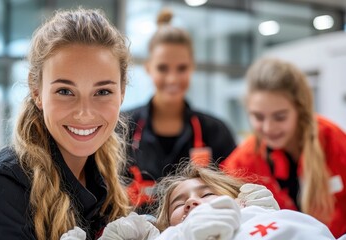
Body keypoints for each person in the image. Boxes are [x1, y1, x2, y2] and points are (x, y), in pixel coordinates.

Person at [0, 8, 131, 240]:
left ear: (122, 92)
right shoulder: (5, 183)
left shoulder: (104, 181)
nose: (84, 112)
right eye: (64, 91)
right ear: (36, 90)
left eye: (102, 91)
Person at [123, 8, 236, 213]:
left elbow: (232, 193)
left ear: (192, 67)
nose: (173, 78)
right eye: (163, 68)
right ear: (148, 68)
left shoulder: (216, 132)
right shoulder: (122, 127)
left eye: (181, 68)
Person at [221, 57, 346, 238]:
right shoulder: (242, 162)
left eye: (280, 117)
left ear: (300, 110)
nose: (268, 128)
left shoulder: (333, 140)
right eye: (258, 117)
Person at [154, 163, 344, 240]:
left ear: (240, 200)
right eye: (178, 205)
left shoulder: (262, 214)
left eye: (206, 195)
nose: (191, 202)